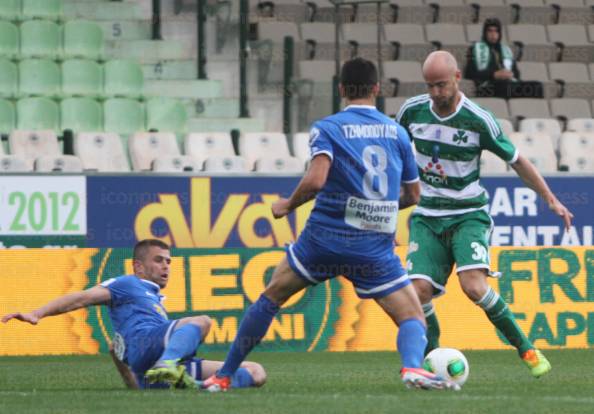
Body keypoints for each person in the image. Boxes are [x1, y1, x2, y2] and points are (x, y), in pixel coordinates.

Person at [202, 57, 459, 393]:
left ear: (341, 90)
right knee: (413, 317)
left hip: (323, 241)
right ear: (377, 89)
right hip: (373, 248)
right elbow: (413, 194)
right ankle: (411, 367)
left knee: (270, 298)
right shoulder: (397, 132)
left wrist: (287, 205)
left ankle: (223, 375)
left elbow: (316, 180)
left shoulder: (329, 128)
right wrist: (376, 208)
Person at [397, 51, 573, 378]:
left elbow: (518, 160)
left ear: (457, 78)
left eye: (441, 85)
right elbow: (395, 148)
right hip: (427, 216)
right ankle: (433, 361)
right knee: (417, 291)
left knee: (474, 286)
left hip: (467, 215)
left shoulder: (479, 119)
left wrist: (550, 198)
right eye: (430, 86)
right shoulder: (413, 111)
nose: (436, 93)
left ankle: (527, 348)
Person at [2, 239, 266, 390]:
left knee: (256, 373)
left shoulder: (151, 300)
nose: (166, 266)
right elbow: (81, 298)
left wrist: (134, 386)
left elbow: (115, 349)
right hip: (150, 349)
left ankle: (202, 387)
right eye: (159, 260)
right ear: (138, 266)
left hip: (152, 363)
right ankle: (168, 365)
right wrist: (37, 313)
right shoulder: (126, 283)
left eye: (169, 261)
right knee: (203, 321)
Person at [464, 17, 543, 99]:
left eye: (496, 31)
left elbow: (516, 73)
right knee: (506, 87)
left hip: (508, 84)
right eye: (490, 31)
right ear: (485, 33)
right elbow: (469, 73)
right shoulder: (474, 49)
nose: (493, 34)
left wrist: (510, 74)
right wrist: (494, 75)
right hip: (487, 87)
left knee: (537, 86)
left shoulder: (506, 50)